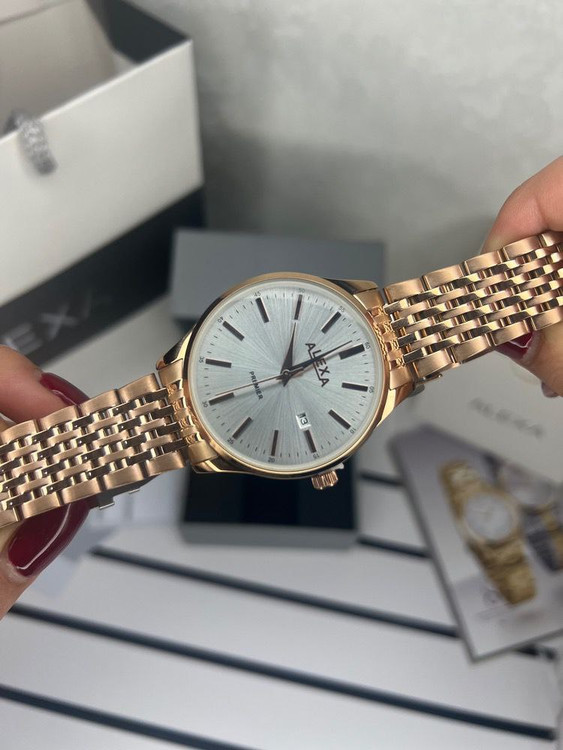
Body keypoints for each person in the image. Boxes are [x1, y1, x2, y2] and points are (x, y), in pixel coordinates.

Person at [1, 155, 563, 617]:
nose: (292, 374)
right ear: (323, 468)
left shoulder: (386, 351)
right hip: (186, 400)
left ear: (324, 466)